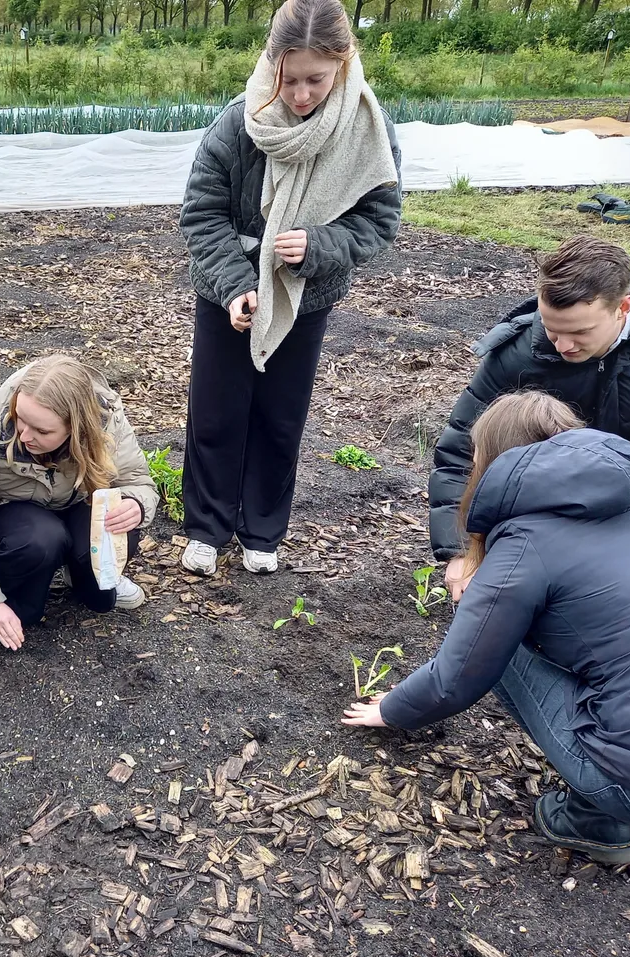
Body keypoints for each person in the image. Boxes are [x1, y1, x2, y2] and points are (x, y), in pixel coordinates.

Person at [344, 392, 630, 864]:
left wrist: (392, 709)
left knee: (499, 639)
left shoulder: (527, 541)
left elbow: (457, 678)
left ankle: (592, 820)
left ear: (494, 462)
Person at [177, 0, 402, 577]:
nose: (301, 94)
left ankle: (261, 530)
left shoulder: (367, 131)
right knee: (217, 413)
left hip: (305, 297)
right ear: (271, 62)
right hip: (227, 293)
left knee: (280, 416)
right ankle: (206, 528)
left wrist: (320, 246)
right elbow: (202, 213)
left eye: (316, 80)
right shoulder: (239, 122)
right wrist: (235, 286)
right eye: (290, 78)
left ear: (342, 64)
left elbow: (379, 220)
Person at [430, 235, 630, 600]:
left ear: (623, 307)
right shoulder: (518, 354)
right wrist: (462, 551)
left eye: (580, 332)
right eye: (552, 328)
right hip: (556, 498)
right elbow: (459, 450)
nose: (563, 345)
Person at [0, 355, 159, 650]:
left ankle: (81, 574)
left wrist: (136, 505)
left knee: (100, 597)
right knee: (39, 544)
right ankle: (7, 596)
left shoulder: (107, 423)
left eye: (42, 431)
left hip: (76, 509)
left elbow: (138, 483)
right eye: (19, 418)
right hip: (15, 526)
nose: (24, 435)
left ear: (77, 428)